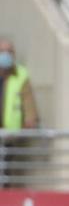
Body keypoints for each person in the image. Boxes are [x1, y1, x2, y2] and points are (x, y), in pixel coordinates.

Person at [0, 37, 40, 188]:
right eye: (2, 51)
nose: (6, 55)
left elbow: (28, 100)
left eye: (9, 51)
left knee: (7, 172)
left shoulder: (20, 75)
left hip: (11, 135)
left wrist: (31, 119)